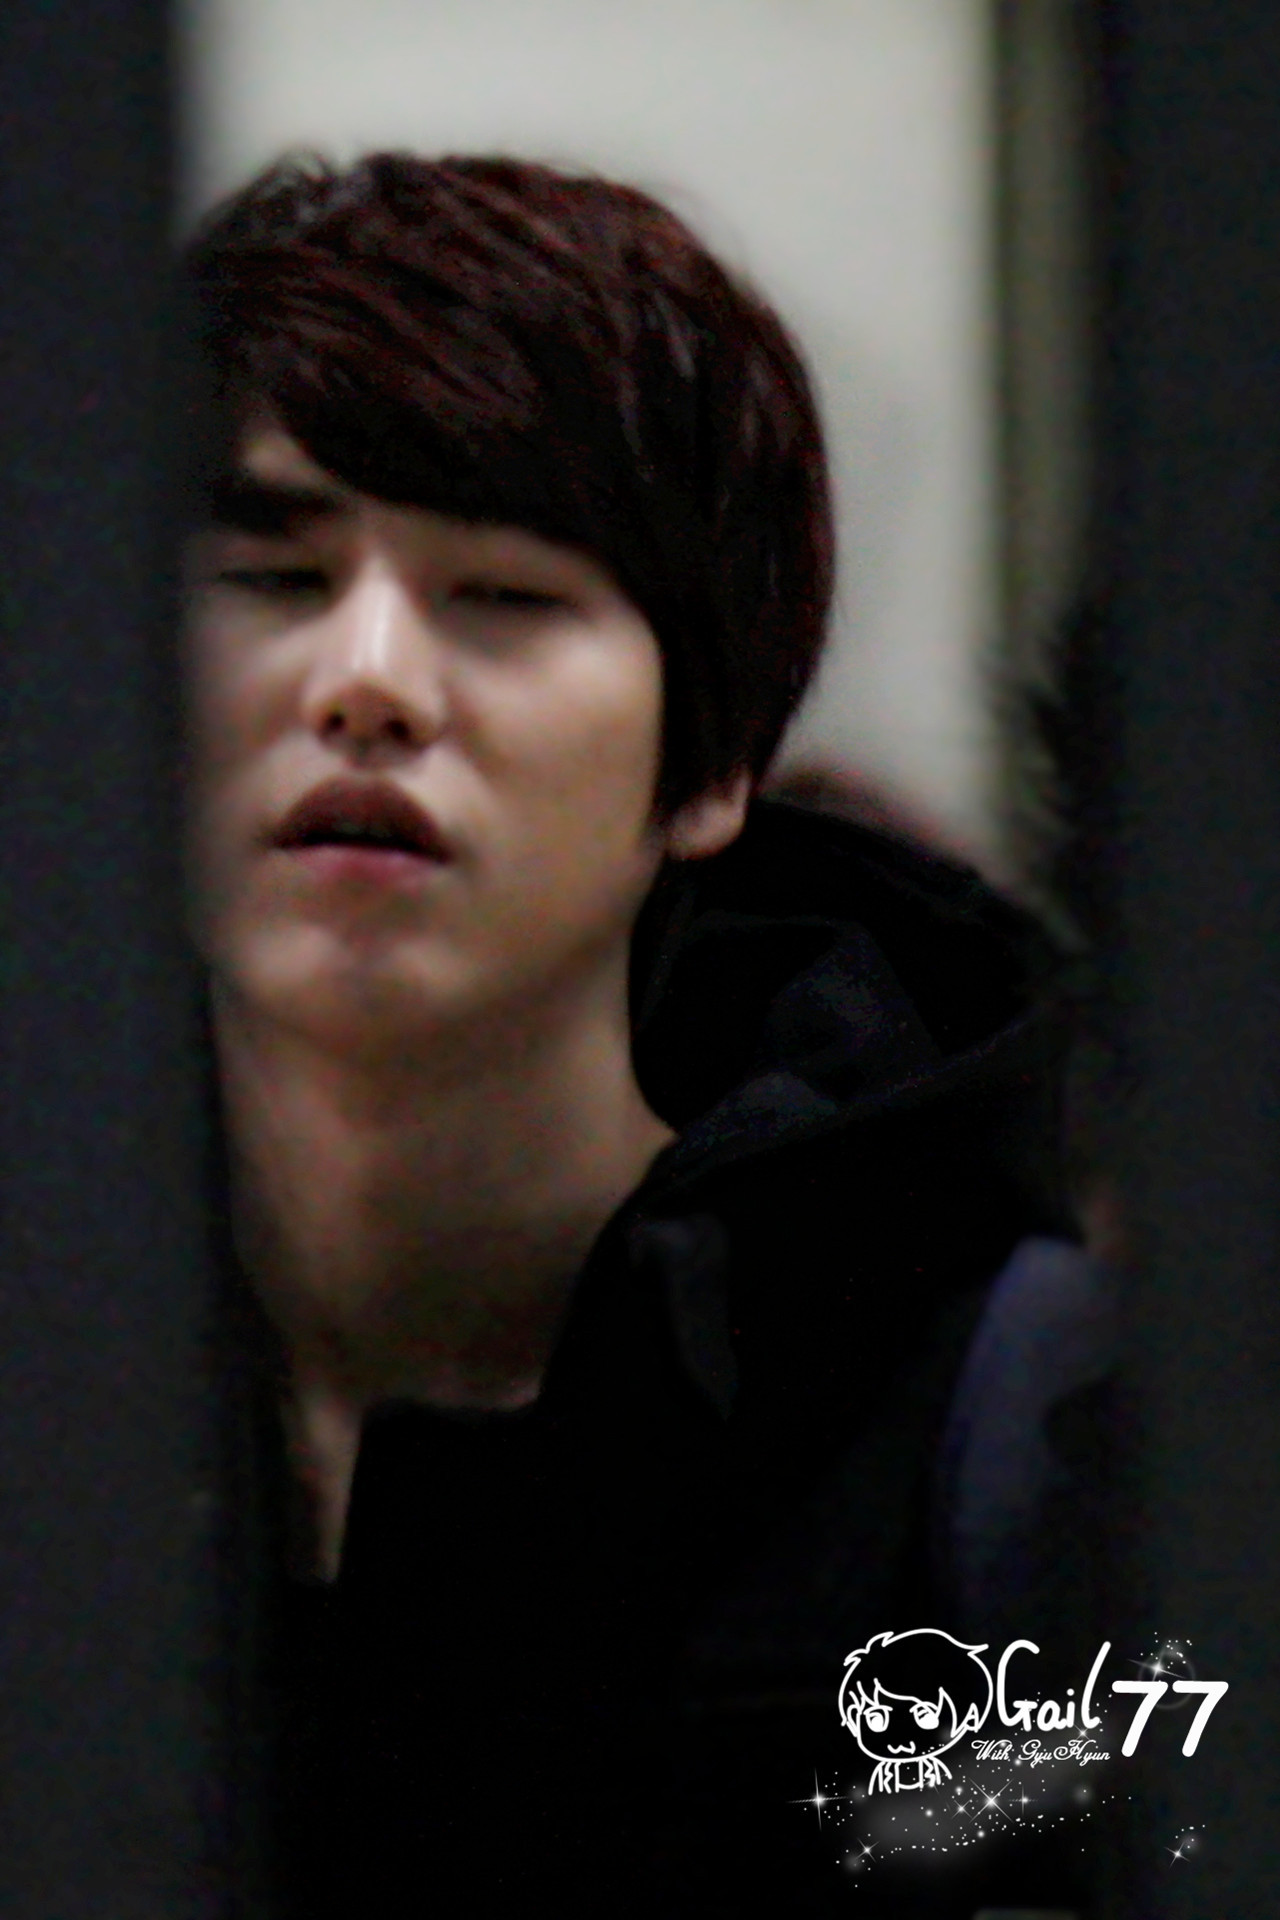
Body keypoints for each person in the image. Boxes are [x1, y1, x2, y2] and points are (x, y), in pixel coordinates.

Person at [184, 152, 1083, 1917]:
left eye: (505, 596)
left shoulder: (991, 1401)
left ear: (714, 763)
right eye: (272, 577)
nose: (367, 681)